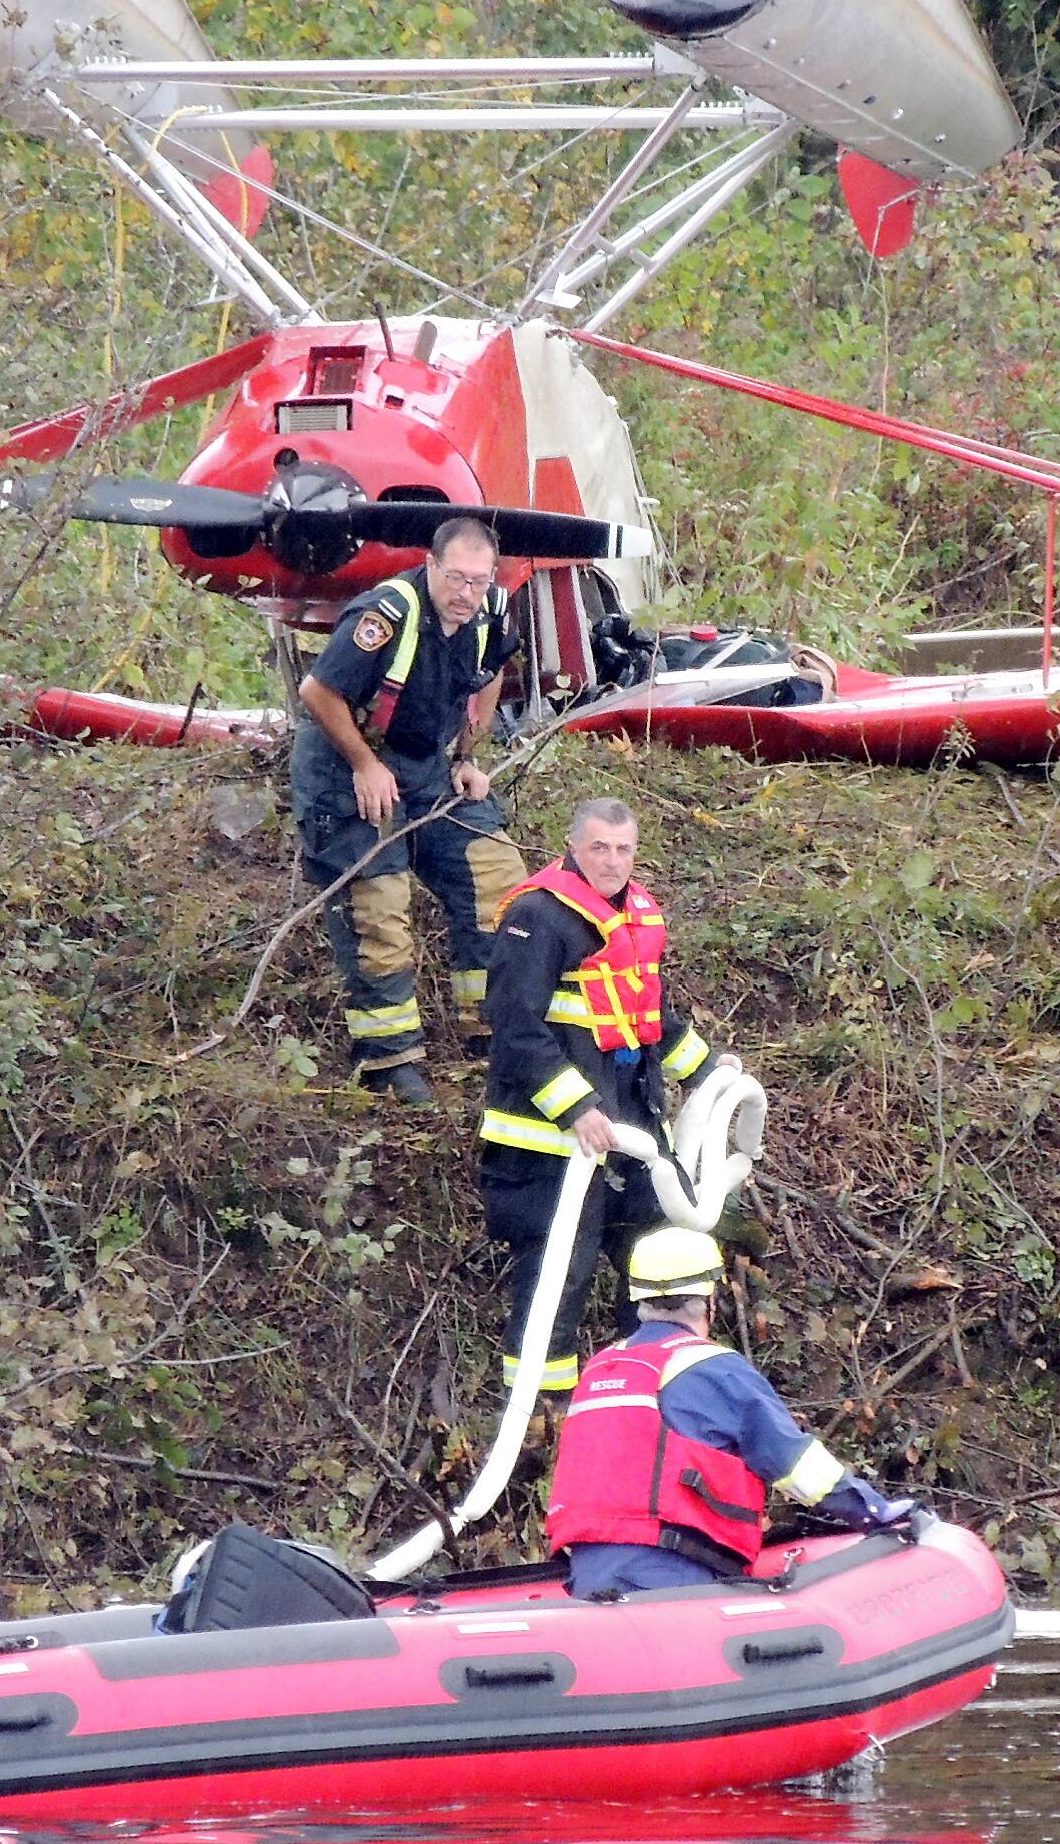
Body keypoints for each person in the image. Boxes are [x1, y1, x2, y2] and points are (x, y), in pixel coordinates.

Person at [479, 797, 716, 1412]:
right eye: (599, 848)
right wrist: (576, 1108)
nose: (612, 862)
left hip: (632, 1130)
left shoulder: (634, 917)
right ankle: (541, 1413)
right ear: (573, 846)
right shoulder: (538, 915)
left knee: (657, 1253)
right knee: (561, 1269)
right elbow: (514, 1024)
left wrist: (712, 1073)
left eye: (623, 849)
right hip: (548, 1140)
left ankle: (639, 1389)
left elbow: (650, 1018)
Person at [293, 517, 530, 1105]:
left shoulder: (491, 611)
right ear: (430, 566)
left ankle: (490, 1030)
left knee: (497, 875)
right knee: (381, 902)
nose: (466, 592)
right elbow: (317, 692)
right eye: (455, 577)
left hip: (429, 767)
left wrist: (468, 755)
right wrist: (364, 766)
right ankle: (389, 1060)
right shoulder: (387, 613)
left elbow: (492, 672)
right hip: (347, 769)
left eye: (478, 580)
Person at [544, 1227, 915, 1597]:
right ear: (709, 1297)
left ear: (638, 1300)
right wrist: (874, 1513)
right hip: (668, 1575)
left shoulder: (600, 1368)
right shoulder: (713, 1368)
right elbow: (794, 1463)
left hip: (586, 1575)